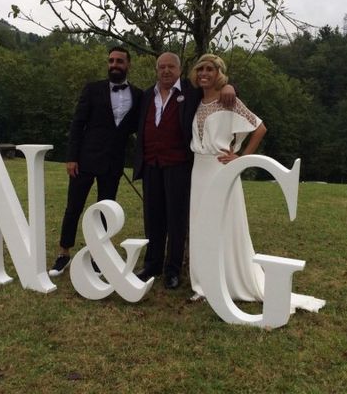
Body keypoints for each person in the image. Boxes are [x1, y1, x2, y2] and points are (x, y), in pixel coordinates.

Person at [187, 54, 325, 314]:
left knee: (225, 225)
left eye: (210, 69)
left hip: (221, 169)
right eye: (200, 69)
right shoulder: (196, 99)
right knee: (200, 224)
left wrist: (242, 157)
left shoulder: (229, 101)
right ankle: (202, 284)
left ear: (219, 73)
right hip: (198, 169)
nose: (204, 73)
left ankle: (228, 281)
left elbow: (259, 128)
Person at [133, 52, 235, 289]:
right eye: (161, 67)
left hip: (179, 165)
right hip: (151, 165)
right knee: (153, 217)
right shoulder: (148, 95)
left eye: (170, 67)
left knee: (177, 219)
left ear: (179, 69)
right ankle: (152, 264)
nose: (166, 71)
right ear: (156, 69)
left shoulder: (192, 91)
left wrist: (230, 86)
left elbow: (215, 85)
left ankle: (173, 269)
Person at [49, 46, 142, 276]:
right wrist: (71, 157)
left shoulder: (139, 95)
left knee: (105, 211)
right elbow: (77, 124)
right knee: (74, 207)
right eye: (111, 61)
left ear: (128, 64)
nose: (114, 65)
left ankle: (99, 256)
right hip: (85, 159)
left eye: (119, 61)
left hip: (113, 163)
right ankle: (63, 253)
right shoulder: (92, 89)